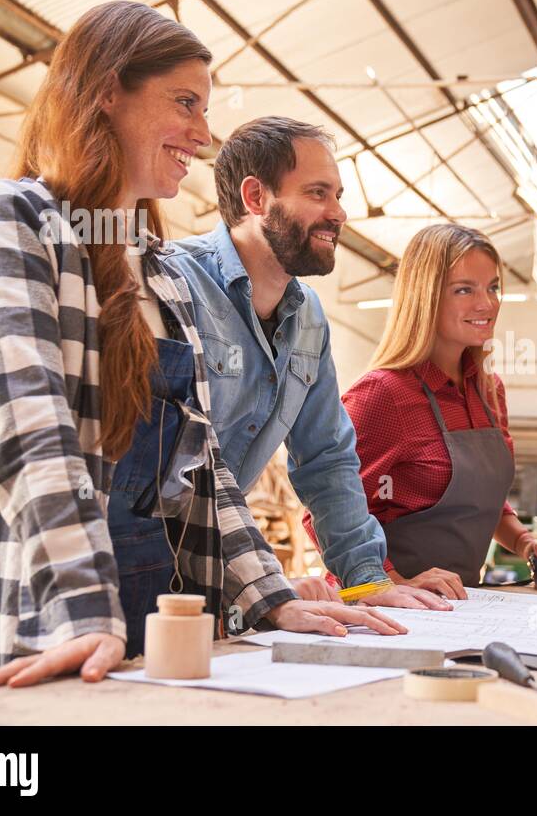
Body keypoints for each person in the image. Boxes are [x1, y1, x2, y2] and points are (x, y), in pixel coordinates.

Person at [0, 2, 403, 702]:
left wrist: (271, 597)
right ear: (108, 91)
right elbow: (29, 432)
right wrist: (83, 606)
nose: (203, 133)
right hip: (22, 618)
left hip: (145, 628)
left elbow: (205, 474)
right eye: (185, 102)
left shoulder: (162, 275)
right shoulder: (7, 222)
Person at [165, 117, 459, 609]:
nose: (338, 213)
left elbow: (326, 458)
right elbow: (185, 463)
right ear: (256, 197)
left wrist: (367, 583)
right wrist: (268, 586)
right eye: (318, 193)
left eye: (338, 195)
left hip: (219, 569)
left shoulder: (308, 317)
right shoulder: (176, 283)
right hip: (143, 560)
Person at [303, 224, 537, 592]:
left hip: (458, 605)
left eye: (492, 288)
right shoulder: (383, 394)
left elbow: (481, 503)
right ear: (425, 297)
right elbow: (326, 511)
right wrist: (393, 584)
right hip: (378, 604)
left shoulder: (489, 391)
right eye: (464, 290)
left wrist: (525, 542)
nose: (487, 304)